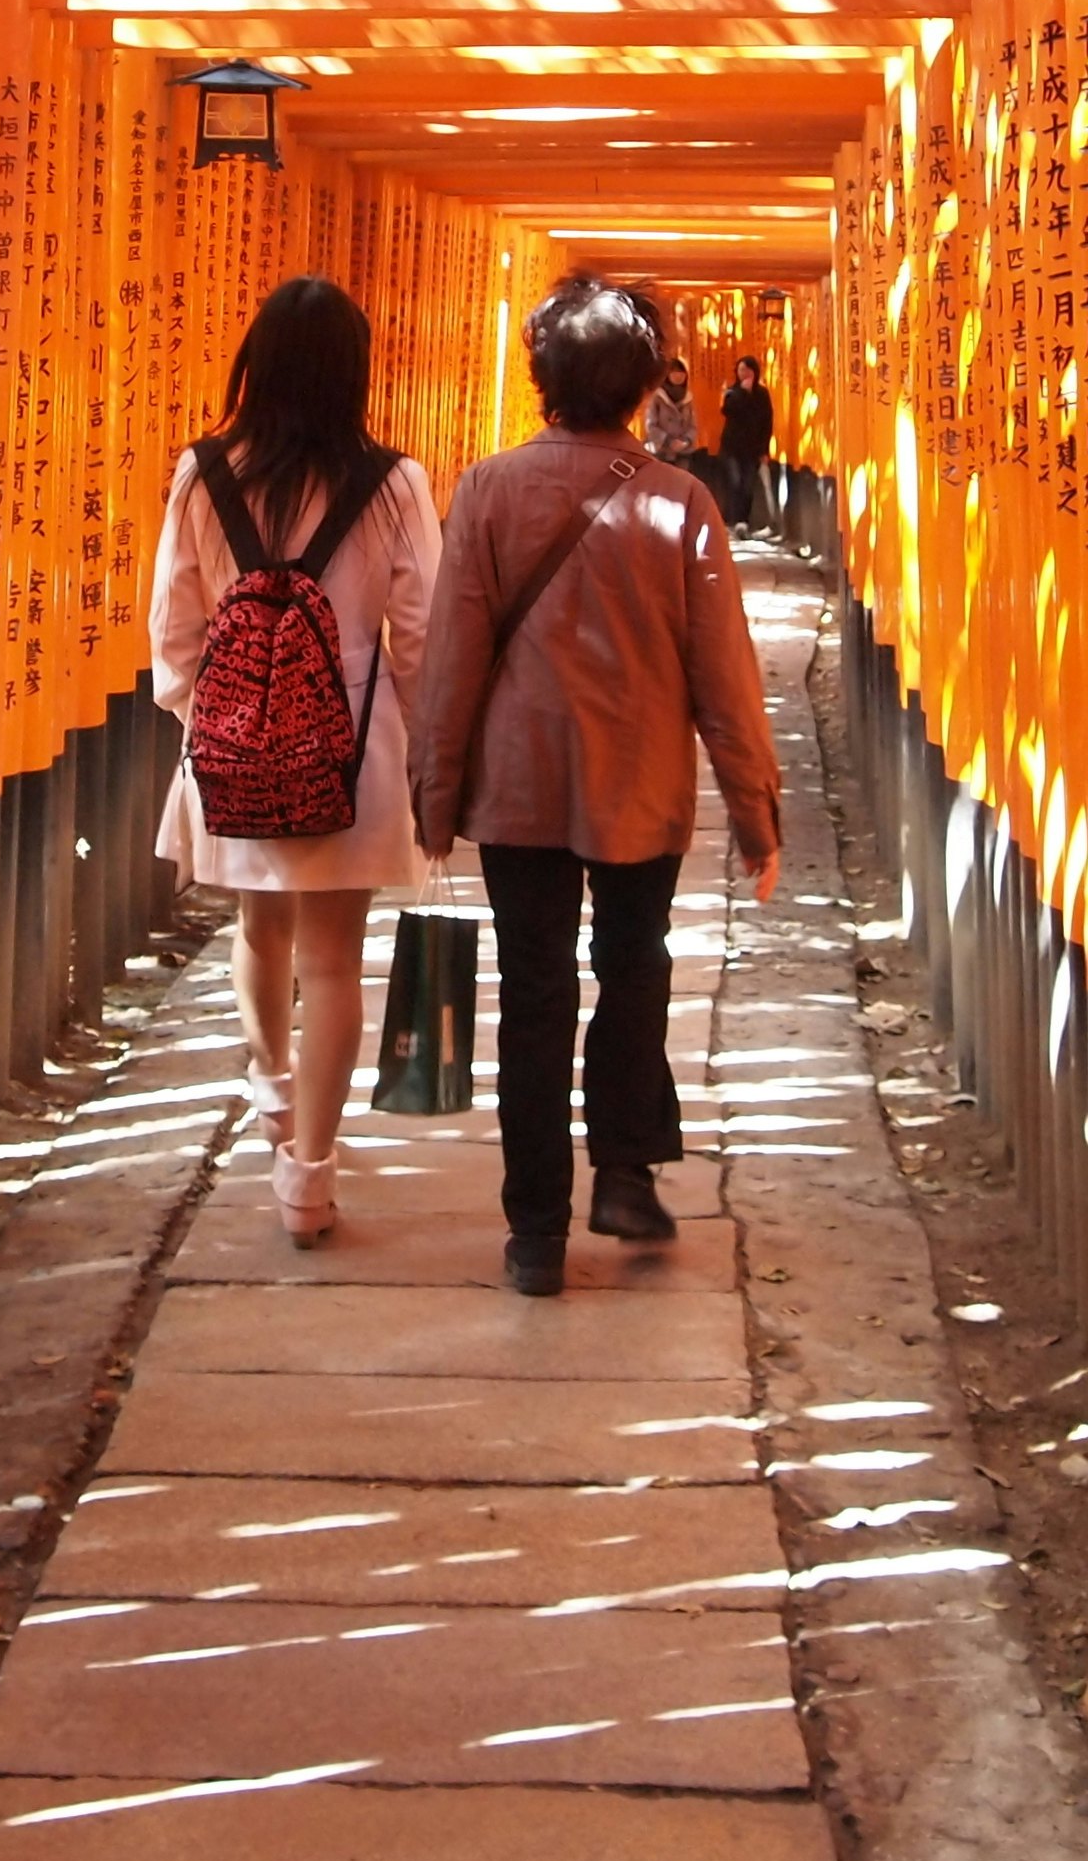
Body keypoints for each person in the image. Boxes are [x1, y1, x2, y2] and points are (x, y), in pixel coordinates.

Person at [414, 277, 782, 1296]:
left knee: (533, 995)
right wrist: (755, 812)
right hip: (637, 784)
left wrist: (434, 797)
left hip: (519, 788)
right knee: (634, 968)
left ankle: (535, 1231)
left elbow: (452, 658)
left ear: (542, 376)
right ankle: (623, 1172)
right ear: (635, 384)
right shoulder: (683, 502)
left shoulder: (485, 490)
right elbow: (724, 674)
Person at [149, 276, 440, 1244]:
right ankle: (307, 1179)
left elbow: (173, 634)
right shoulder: (393, 484)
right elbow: (422, 637)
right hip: (351, 756)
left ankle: (270, 1088)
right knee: (333, 959)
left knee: (258, 929)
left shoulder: (201, 476)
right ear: (354, 372)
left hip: (228, 749)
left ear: (256, 362)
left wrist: (226, 724)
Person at [716, 355, 776, 535]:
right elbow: (727, 411)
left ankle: (744, 521)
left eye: (748, 370)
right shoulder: (732, 392)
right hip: (732, 448)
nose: (744, 374)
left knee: (748, 484)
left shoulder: (762, 394)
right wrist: (742, 392)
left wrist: (764, 449)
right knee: (735, 483)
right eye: (741, 370)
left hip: (753, 449)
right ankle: (736, 521)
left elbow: (767, 422)